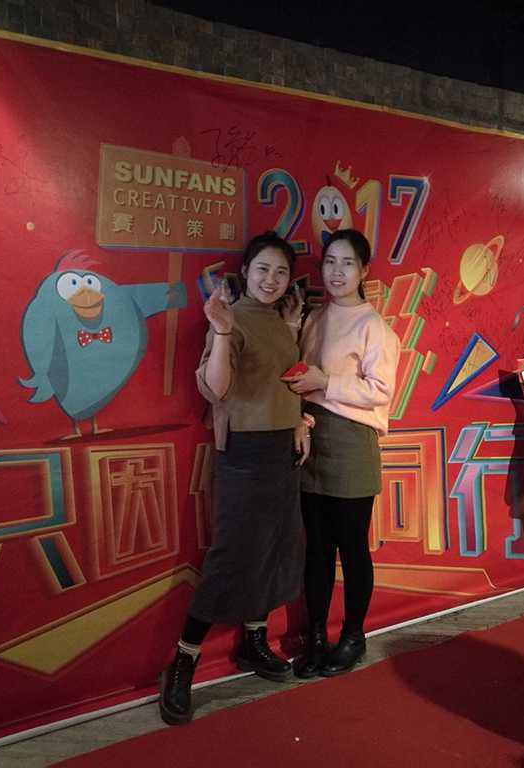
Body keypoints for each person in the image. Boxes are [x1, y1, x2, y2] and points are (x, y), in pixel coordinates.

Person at [159, 231, 311, 725]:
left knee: (273, 550)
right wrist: (222, 332)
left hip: (282, 452)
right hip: (244, 453)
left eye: (281, 272)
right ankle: (183, 660)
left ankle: (253, 640)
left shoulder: (282, 322)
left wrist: (301, 422)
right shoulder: (231, 317)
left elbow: (286, 383)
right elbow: (217, 389)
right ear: (245, 272)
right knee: (230, 557)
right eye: (263, 269)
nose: (271, 280)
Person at [283, 229, 399, 677]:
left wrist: (324, 382)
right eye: (330, 262)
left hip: (352, 441)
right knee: (316, 548)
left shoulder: (374, 327)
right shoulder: (314, 318)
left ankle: (353, 636)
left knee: (351, 548)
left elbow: (380, 391)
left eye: (347, 263)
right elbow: (296, 374)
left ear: (364, 270)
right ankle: (315, 636)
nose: (336, 271)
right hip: (309, 436)